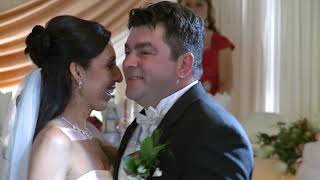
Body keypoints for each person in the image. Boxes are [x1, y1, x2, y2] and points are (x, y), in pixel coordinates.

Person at [114, 1, 253, 180]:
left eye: (144, 52)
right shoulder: (140, 122)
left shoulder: (216, 133)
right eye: (127, 52)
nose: (128, 63)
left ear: (184, 65)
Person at [4, 15, 123, 180]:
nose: (119, 76)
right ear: (78, 72)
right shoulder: (55, 141)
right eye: (110, 65)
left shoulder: (91, 132)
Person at [179, 0, 235, 104]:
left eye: (199, 4)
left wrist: (209, 109)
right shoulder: (170, 41)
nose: (193, 10)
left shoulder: (221, 43)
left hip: (211, 110)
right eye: (188, 4)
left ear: (208, 9)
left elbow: (226, 84)